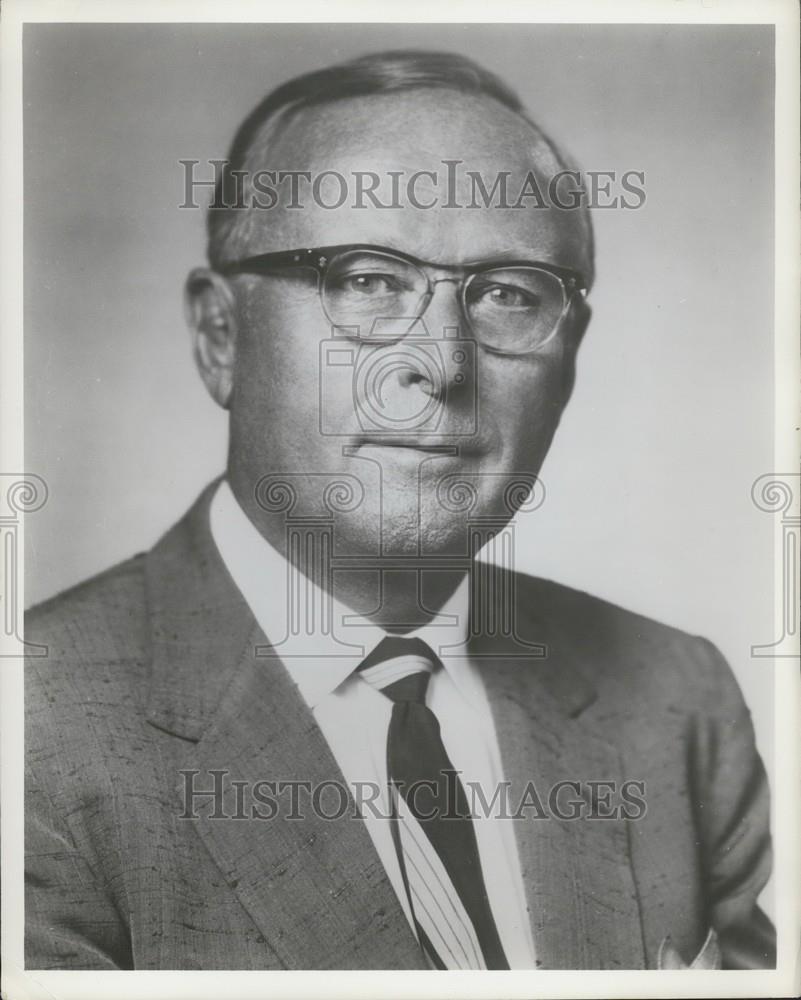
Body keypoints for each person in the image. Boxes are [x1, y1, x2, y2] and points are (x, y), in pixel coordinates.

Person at [25, 49, 774, 971]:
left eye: (508, 294)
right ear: (221, 335)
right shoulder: (34, 730)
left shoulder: (674, 702)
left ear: (570, 356)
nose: (444, 363)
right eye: (367, 279)